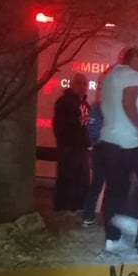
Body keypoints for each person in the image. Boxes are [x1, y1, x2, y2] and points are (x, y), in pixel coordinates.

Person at [97, 47, 138, 253]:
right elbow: (128, 104)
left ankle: (112, 240)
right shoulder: (132, 75)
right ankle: (131, 217)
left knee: (115, 190)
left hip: (108, 140)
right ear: (135, 58)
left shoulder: (111, 75)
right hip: (129, 141)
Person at [52, 73, 91, 212]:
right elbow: (59, 125)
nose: (83, 87)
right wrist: (66, 144)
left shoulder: (85, 104)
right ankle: (63, 208)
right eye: (79, 83)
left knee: (82, 178)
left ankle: (78, 207)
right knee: (67, 177)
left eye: (85, 84)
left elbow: (86, 126)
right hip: (69, 147)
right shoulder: (64, 102)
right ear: (72, 84)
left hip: (82, 147)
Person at [81, 93, 106, 226]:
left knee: (96, 183)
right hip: (111, 149)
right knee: (115, 185)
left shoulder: (96, 108)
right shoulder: (117, 108)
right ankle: (110, 216)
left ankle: (88, 215)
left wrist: (93, 144)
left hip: (99, 149)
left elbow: (90, 130)